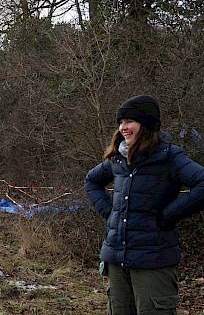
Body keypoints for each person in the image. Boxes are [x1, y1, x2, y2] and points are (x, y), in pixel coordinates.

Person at [84, 95, 204, 314]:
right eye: (120, 123)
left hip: (154, 260)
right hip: (116, 260)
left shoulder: (169, 156)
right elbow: (91, 180)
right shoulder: (118, 158)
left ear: (147, 124)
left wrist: (168, 215)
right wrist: (109, 213)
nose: (123, 128)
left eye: (129, 121)